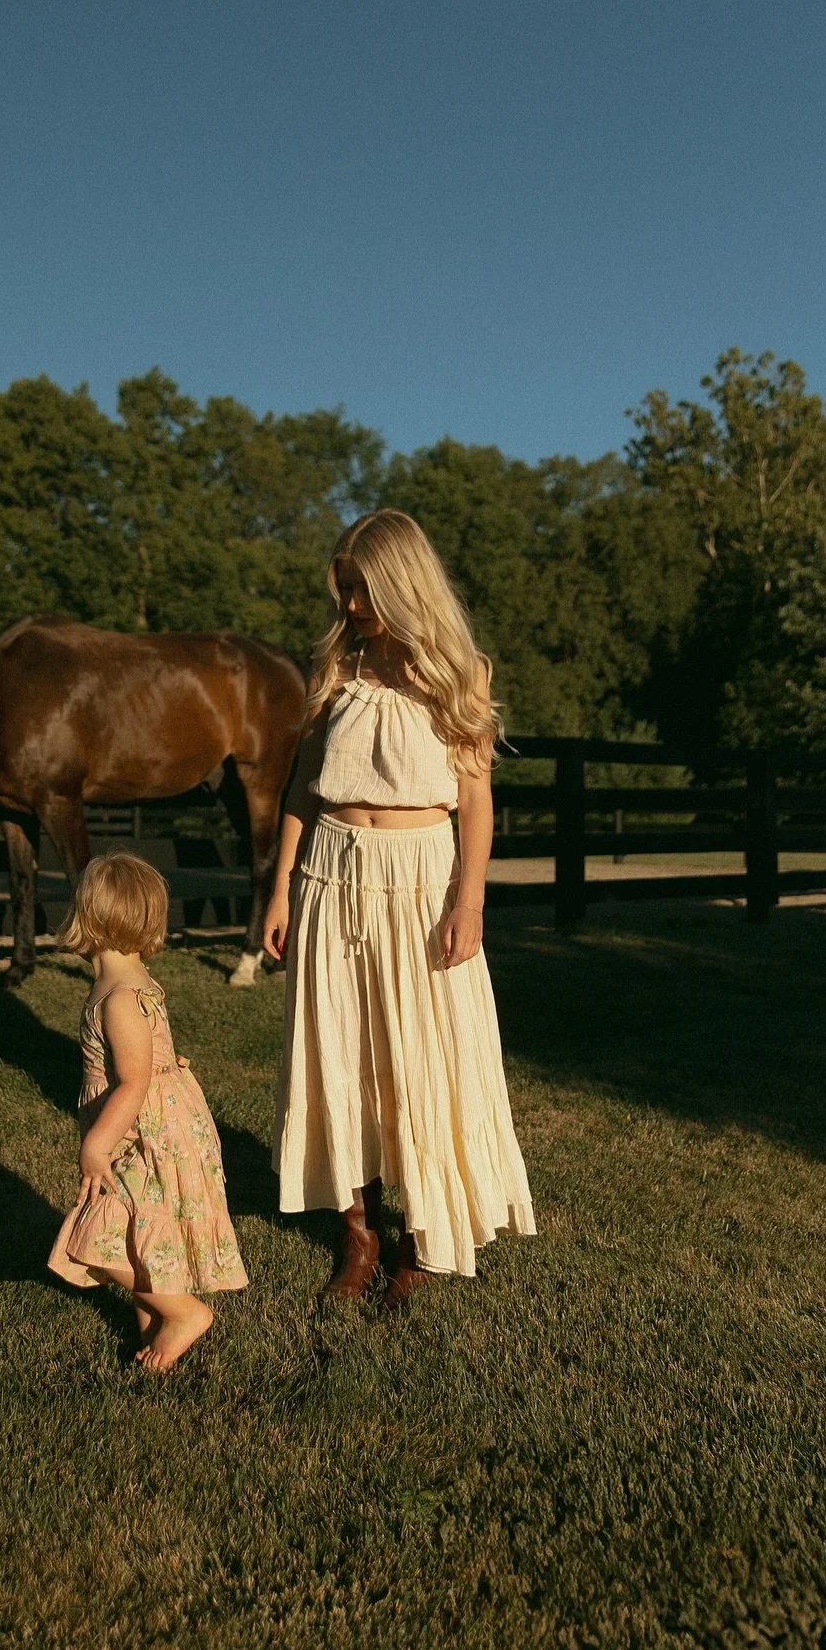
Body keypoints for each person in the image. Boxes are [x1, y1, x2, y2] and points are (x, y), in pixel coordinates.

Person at [264, 507, 536, 1310]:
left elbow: (476, 803)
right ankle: (358, 1234)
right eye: (343, 590)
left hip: (421, 877)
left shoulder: (456, 674)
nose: (349, 606)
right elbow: (300, 793)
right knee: (338, 1052)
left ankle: (423, 1235)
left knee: (426, 1056)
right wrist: (280, 889)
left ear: (402, 583)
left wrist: (470, 899)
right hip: (331, 873)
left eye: (361, 589)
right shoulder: (336, 673)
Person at [48, 851, 248, 1369]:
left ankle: (183, 1315)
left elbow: (133, 1083)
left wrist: (96, 1146)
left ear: (86, 918)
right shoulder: (132, 981)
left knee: (100, 1230)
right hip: (153, 1123)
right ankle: (155, 1329)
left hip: (143, 1128)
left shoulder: (117, 997)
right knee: (139, 1227)